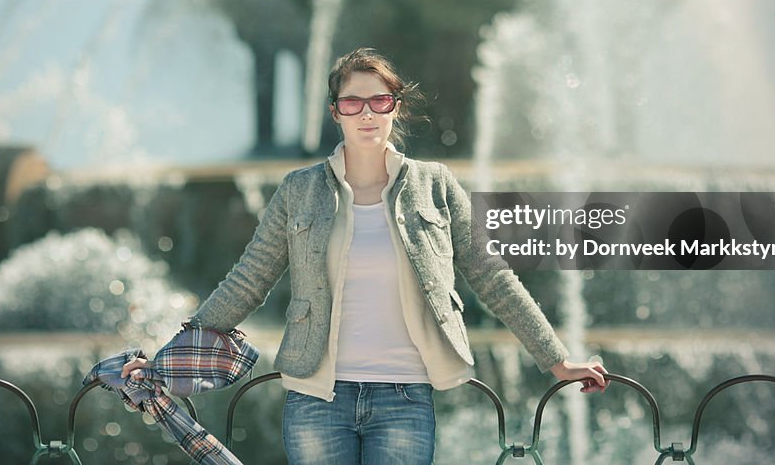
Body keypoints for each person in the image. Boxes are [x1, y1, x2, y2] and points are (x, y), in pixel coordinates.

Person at [125, 47, 607, 464]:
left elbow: (492, 276)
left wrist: (557, 361)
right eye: (353, 102)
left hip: (405, 395)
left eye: (380, 100)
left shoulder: (434, 184)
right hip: (317, 398)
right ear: (335, 111)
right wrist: (167, 362)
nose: (367, 113)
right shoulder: (300, 189)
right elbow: (248, 281)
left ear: (395, 106)